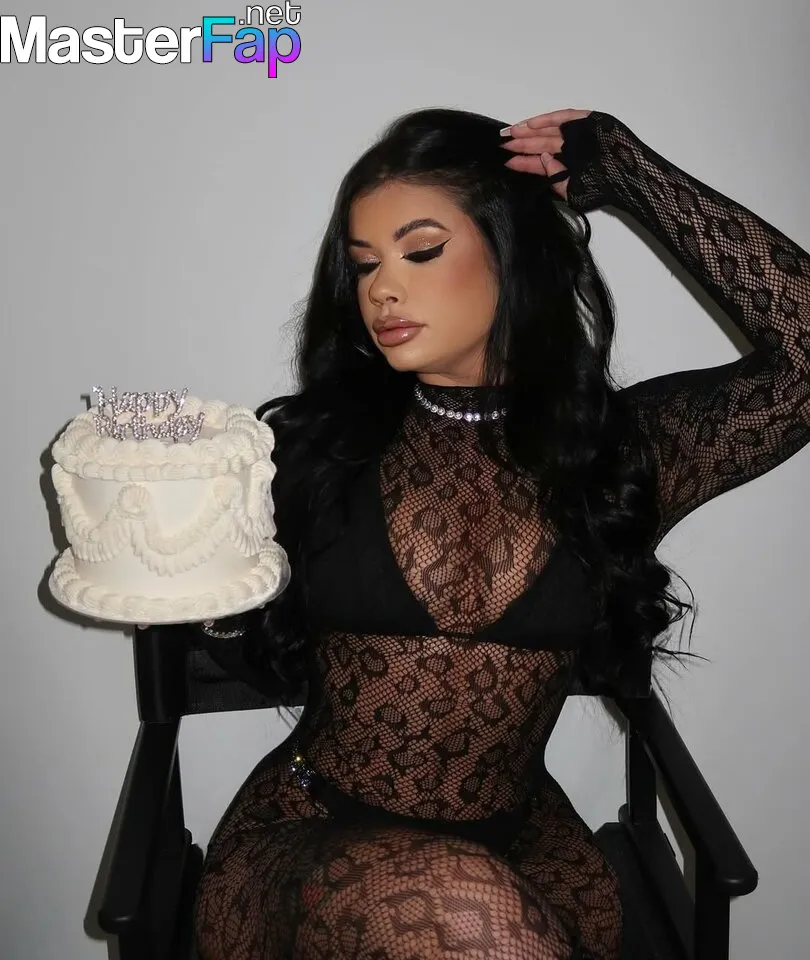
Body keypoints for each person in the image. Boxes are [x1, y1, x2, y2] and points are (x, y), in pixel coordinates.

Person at [192, 107, 810, 960]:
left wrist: (629, 171)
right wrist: (211, 594)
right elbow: (250, 648)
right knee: (472, 916)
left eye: (420, 251)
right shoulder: (313, 449)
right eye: (364, 264)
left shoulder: (619, 455)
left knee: (490, 917)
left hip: (524, 844)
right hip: (312, 841)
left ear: (511, 252)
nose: (381, 289)